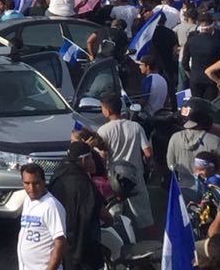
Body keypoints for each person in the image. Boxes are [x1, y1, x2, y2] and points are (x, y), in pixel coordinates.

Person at [97, 92, 152, 229]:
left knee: (114, 217)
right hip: (135, 177)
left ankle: (121, 244)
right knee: (145, 218)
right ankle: (153, 244)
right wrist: (146, 165)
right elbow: (148, 153)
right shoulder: (135, 127)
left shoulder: (103, 131)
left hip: (114, 179)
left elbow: (102, 156)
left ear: (107, 111)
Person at [45, 143, 102, 270]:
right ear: (82, 160)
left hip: (61, 241)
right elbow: (98, 208)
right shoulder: (83, 182)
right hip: (82, 244)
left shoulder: (58, 174)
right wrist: (110, 220)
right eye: (90, 158)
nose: (93, 161)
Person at [17, 163, 66, 270]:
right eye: (27, 183)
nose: (32, 188)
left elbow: (60, 243)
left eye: (36, 183)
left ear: (44, 182)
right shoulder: (27, 201)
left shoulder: (51, 206)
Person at [167, 100, 220, 182]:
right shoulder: (215, 141)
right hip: (209, 188)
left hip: (183, 188)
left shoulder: (175, 138)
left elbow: (170, 164)